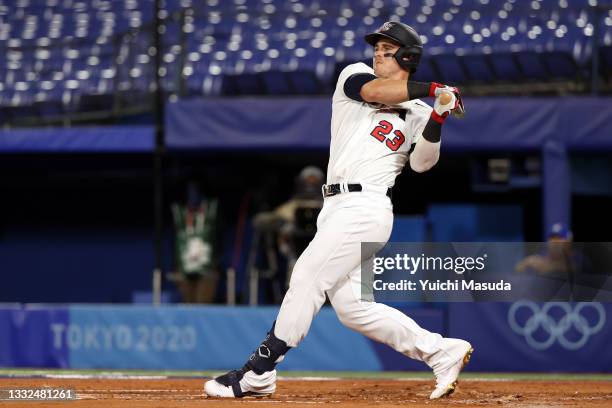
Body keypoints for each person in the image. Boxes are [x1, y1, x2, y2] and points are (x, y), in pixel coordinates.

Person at [205, 21, 472, 400]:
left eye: (388, 49)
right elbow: (375, 91)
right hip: (335, 207)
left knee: (307, 277)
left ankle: (259, 371)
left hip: (367, 207)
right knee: (355, 309)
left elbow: (423, 164)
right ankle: (441, 351)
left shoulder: (416, 113)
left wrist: (439, 114)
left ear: (408, 57)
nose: (378, 53)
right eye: (377, 48)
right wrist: (435, 90)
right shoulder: (356, 76)